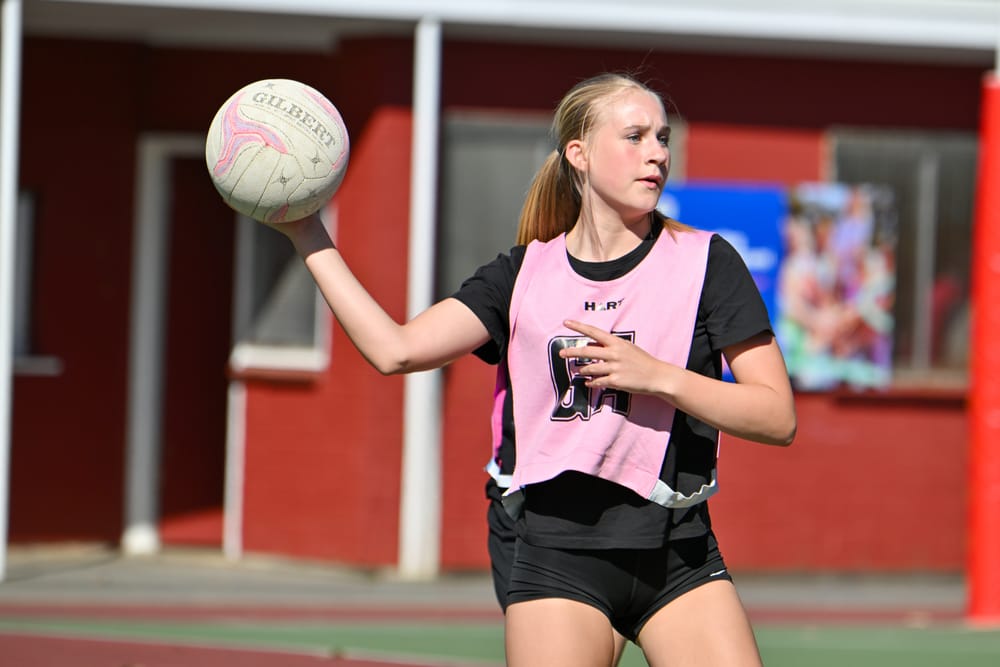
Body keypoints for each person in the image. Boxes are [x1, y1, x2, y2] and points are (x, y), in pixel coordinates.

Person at [266, 71, 796, 667]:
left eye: (663, 137)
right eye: (635, 136)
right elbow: (396, 350)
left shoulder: (705, 263)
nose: (657, 152)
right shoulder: (522, 277)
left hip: (681, 556)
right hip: (557, 560)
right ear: (580, 154)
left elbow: (777, 416)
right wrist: (306, 231)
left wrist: (657, 375)